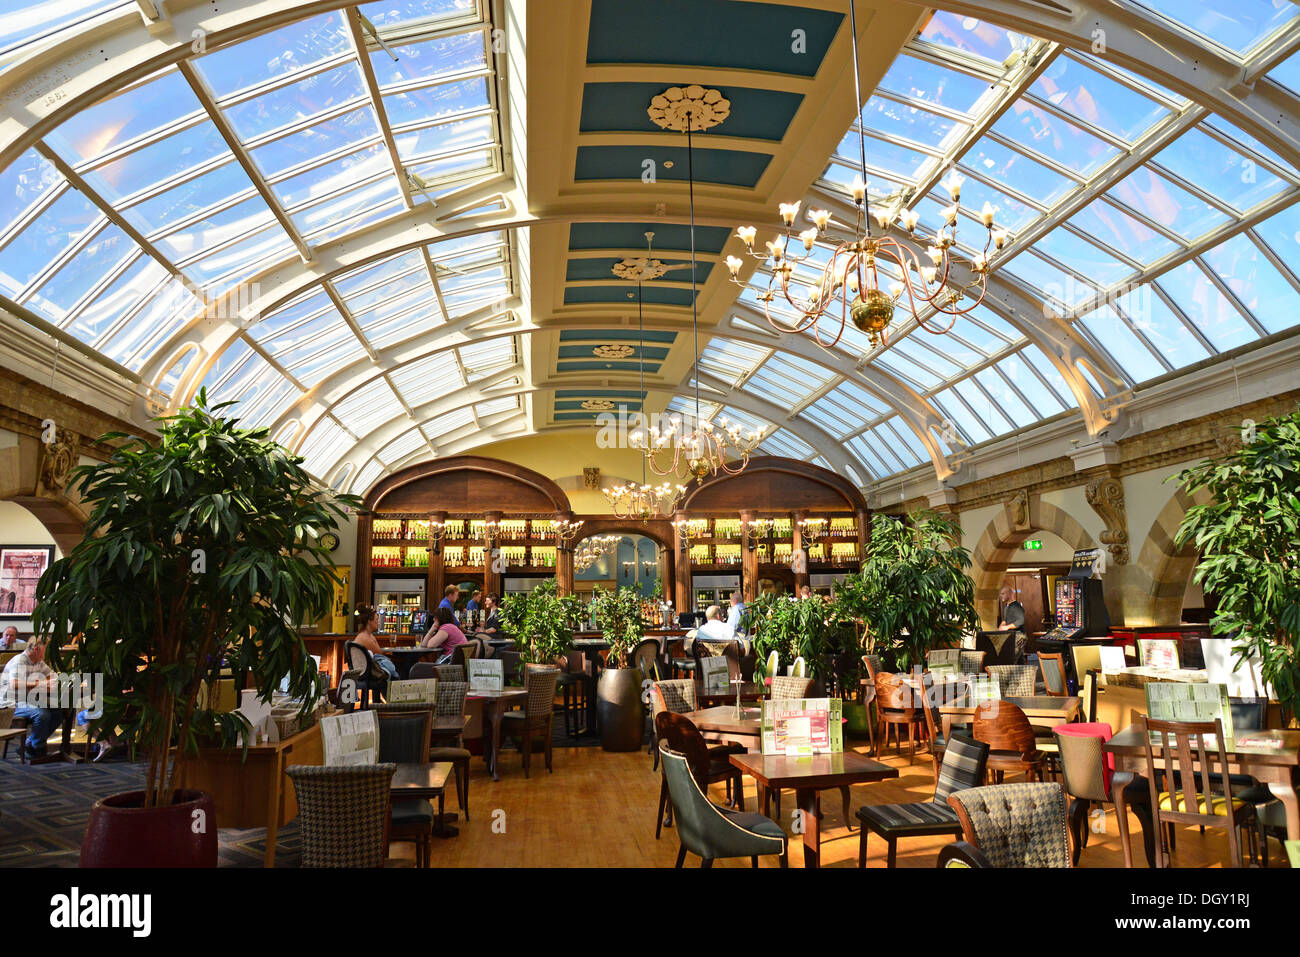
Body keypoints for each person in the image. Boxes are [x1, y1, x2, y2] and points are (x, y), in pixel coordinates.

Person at [0, 637, 61, 759]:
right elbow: (14, 684)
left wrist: (47, 682)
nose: (47, 652)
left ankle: (31, 744)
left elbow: (53, 677)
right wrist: (39, 684)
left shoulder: (38, 661)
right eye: (46, 649)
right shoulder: (20, 661)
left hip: (28, 701)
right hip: (11, 703)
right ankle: (37, 748)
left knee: (57, 713)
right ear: (37, 649)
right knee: (42, 714)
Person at [353, 605, 398, 681]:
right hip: (367, 672)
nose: (378, 622)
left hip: (364, 670)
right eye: (376, 620)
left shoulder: (367, 635)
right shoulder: (365, 637)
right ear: (369, 621)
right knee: (395, 670)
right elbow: (379, 653)